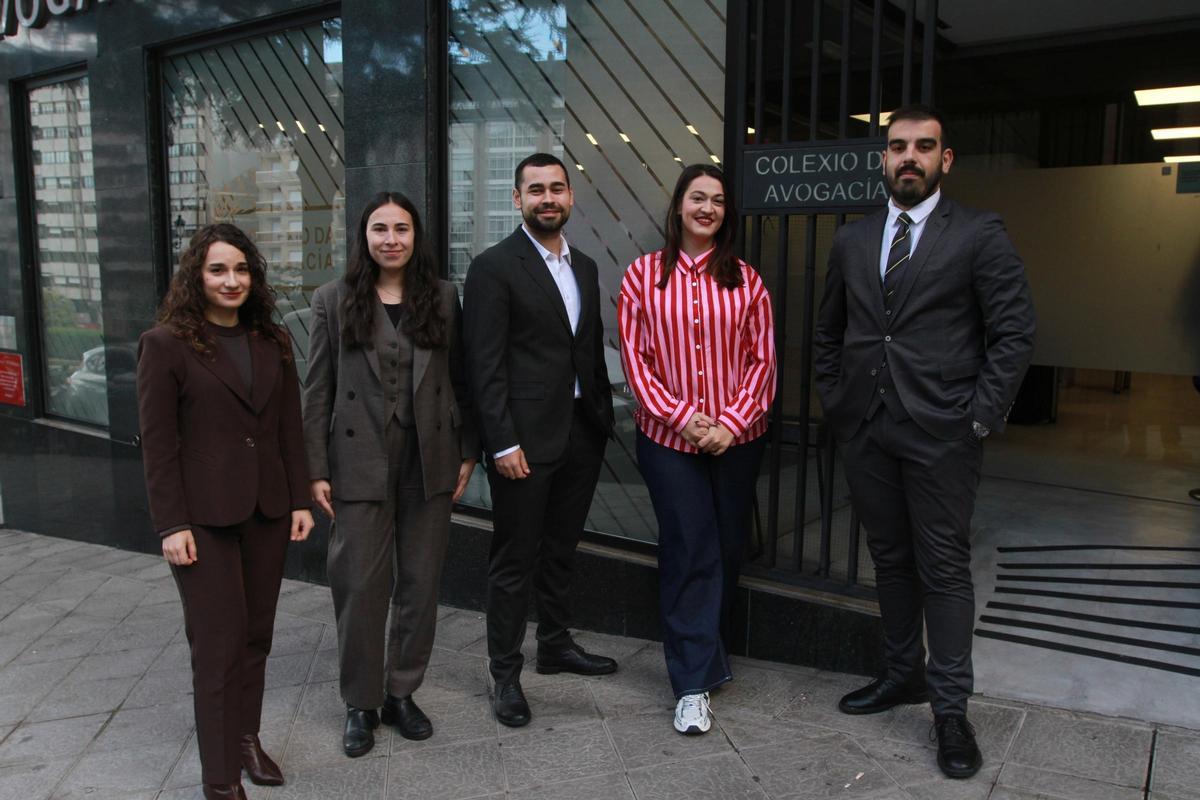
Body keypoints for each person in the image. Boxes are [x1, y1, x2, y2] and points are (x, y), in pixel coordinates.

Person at [814, 104, 1036, 779]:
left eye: (923, 147)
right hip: (868, 429)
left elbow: (1015, 331)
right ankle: (901, 674)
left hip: (943, 432)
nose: (908, 157)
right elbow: (830, 332)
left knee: (942, 568)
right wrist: (837, 402)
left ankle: (948, 710)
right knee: (889, 558)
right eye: (896, 147)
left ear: (946, 160)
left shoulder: (977, 233)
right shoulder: (853, 240)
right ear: (883, 159)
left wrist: (979, 417)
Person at [137, 224, 314, 800]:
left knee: (256, 636)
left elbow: (289, 426)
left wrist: (298, 501)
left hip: (265, 508)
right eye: (218, 270)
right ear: (197, 276)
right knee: (217, 644)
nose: (232, 280)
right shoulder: (166, 344)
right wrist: (171, 524)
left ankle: (245, 739)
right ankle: (220, 780)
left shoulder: (274, 339)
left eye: (241, 270)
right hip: (202, 521)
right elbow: (158, 444)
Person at [302, 191, 479, 756]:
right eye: (380, 229)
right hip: (357, 460)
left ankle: (402, 691)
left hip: (430, 455)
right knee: (359, 585)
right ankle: (361, 702)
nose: (392, 239)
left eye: (402, 228)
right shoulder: (332, 299)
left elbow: (464, 381)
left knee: (421, 584)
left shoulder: (444, 298)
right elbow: (316, 391)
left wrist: (468, 452)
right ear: (365, 237)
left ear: (415, 236)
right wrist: (316, 469)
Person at [618, 164, 776, 735]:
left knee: (726, 548)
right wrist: (685, 419)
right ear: (678, 206)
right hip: (668, 441)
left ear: (725, 212)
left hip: (738, 440)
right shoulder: (642, 277)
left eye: (717, 200)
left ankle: (709, 652)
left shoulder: (748, 281)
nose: (706, 208)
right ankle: (690, 684)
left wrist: (730, 424)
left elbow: (763, 361)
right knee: (690, 546)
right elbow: (637, 363)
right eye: (697, 197)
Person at [463, 152, 616, 728]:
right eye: (536, 190)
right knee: (514, 559)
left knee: (561, 550)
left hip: (580, 433)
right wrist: (500, 443)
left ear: (571, 197)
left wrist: (599, 415)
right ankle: (504, 674)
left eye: (557, 188)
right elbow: (483, 364)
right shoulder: (493, 267)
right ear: (517, 200)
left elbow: (587, 348)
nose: (547, 198)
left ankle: (554, 645)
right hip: (523, 443)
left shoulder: (588, 268)